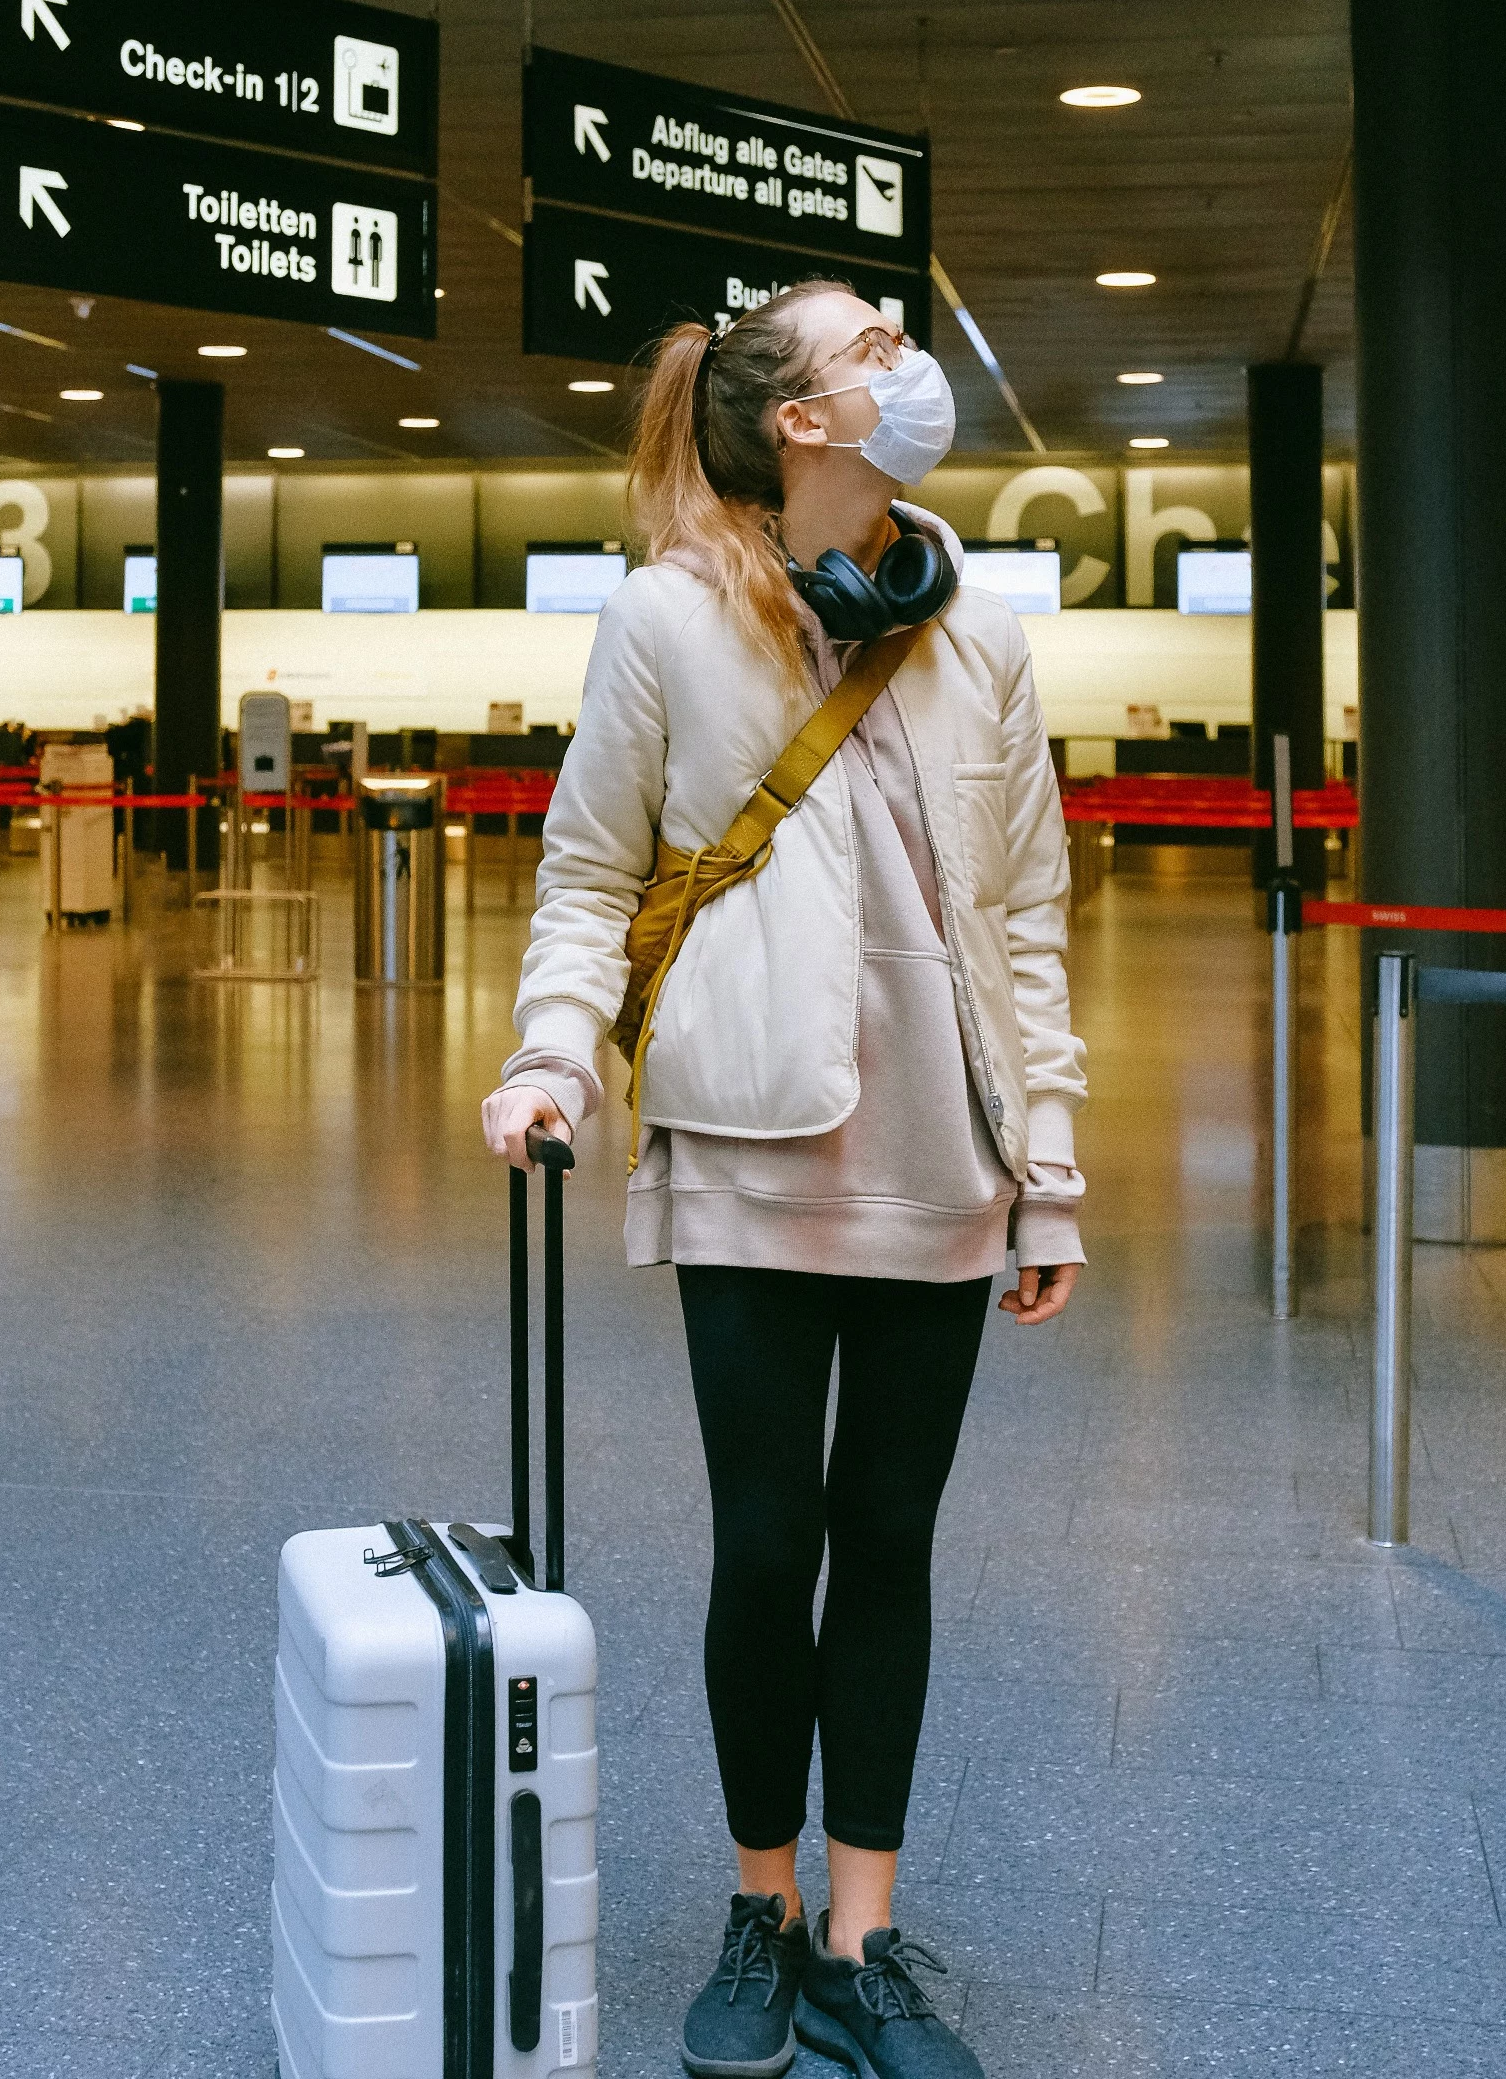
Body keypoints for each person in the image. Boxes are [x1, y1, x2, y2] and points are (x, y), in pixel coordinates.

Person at [482, 279, 1087, 2079]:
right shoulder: (669, 620)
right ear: (800, 422)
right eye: (870, 349)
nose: (909, 365)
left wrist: (1043, 1168)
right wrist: (547, 1053)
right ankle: (760, 1900)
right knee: (767, 1542)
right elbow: (592, 871)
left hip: (941, 1154)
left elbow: (1028, 924)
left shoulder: (976, 635)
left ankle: (863, 1926)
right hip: (749, 1140)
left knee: (888, 1543)